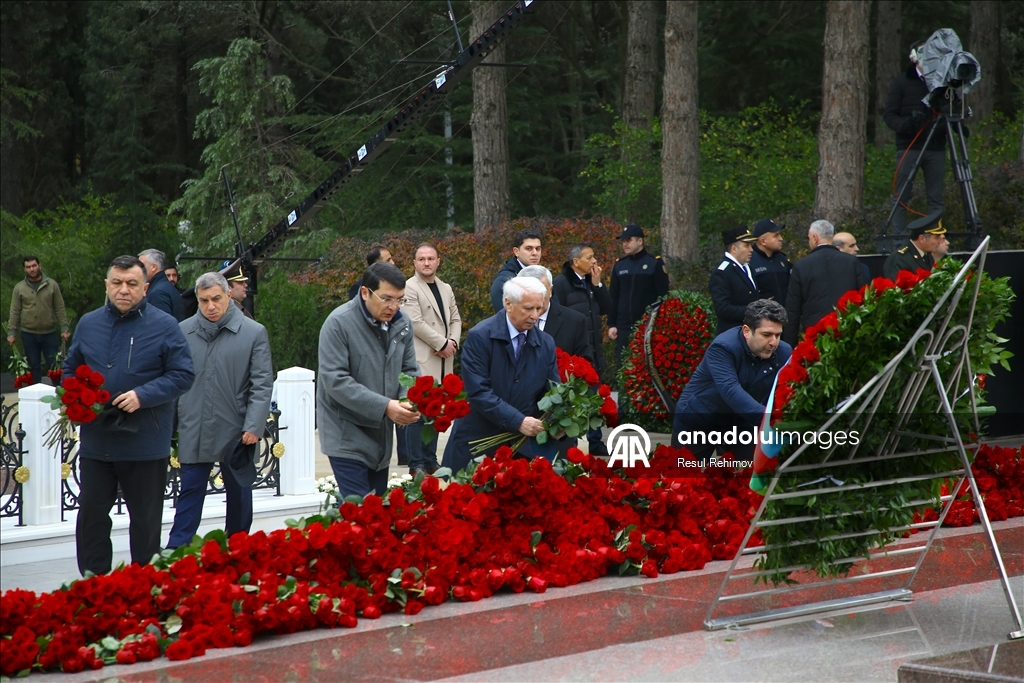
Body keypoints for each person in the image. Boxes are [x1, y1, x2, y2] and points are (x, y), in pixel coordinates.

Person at [64, 255, 194, 576]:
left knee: (146, 523)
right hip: (98, 438)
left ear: (145, 287)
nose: (124, 290)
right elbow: (71, 369)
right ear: (107, 285)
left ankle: (145, 588)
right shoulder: (89, 323)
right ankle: (94, 584)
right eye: (117, 283)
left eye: (132, 283)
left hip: (145, 440)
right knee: (92, 516)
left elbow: (183, 374)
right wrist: (78, 397)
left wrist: (142, 396)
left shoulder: (164, 325)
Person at [166, 272, 273, 548]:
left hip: (236, 429)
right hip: (194, 426)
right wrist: (170, 426)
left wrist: (254, 425)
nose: (210, 306)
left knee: (239, 494)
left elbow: (261, 383)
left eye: (216, 299)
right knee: (190, 492)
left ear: (228, 296)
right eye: (204, 301)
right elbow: (174, 381)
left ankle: (237, 549)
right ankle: (176, 553)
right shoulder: (183, 331)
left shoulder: (254, 332)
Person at [318, 262, 420, 497]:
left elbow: (410, 371)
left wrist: (409, 401)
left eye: (400, 299)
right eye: (386, 299)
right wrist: (386, 406)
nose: (394, 307)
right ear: (365, 292)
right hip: (345, 435)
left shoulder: (402, 323)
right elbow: (336, 381)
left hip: (380, 441)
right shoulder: (338, 323)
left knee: (375, 517)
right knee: (360, 516)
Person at [442, 277, 559, 474]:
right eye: (528, 308)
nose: (535, 315)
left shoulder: (545, 343)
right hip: (478, 444)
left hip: (521, 450)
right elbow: (479, 392)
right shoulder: (480, 336)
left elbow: (553, 390)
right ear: (508, 304)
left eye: (539, 308)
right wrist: (519, 421)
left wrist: (557, 421)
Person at [672, 300, 792, 461]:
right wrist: (768, 419)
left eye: (778, 335)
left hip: (742, 423)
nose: (773, 342)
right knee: (682, 480)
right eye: (766, 335)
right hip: (699, 419)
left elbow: (785, 389)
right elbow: (729, 389)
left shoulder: (784, 352)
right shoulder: (723, 347)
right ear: (747, 331)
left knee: (746, 478)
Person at [401, 243, 462, 477]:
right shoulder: (409, 287)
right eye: (422, 259)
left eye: (431, 258)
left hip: (444, 359)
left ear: (438, 261)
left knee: (436, 412)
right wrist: (441, 343)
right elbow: (415, 322)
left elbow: (455, 318)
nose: (426, 263)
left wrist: (453, 343)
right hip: (423, 358)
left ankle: (430, 459)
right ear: (414, 262)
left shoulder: (445, 288)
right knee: (417, 414)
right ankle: (416, 463)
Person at [551, 244, 613, 455]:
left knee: (594, 398)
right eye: (590, 257)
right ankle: (571, 446)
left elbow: (606, 308)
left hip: (593, 348)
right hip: (571, 353)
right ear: (576, 262)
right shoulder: (560, 284)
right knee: (572, 401)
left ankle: (596, 442)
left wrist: (598, 285)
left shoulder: (590, 282)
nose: (595, 261)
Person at [883, 40, 945, 235]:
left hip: (935, 147)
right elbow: (889, 115)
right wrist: (905, 126)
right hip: (909, 147)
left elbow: (951, 109)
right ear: (914, 56)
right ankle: (900, 242)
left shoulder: (941, 83)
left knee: (935, 197)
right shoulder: (901, 82)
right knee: (901, 196)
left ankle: (935, 239)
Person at [784, 220, 869, 346]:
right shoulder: (851, 262)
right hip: (847, 329)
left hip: (815, 333)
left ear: (814, 237)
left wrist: (789, 346)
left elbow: (793, 310)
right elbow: (864, 297)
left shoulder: (801, 266)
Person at [608, 224, 670, 365]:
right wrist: (612, 323)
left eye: (629, 240)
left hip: (647, 327)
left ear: (640, 241)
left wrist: (660, 324)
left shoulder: (654, 263)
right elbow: (613, 296)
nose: (625, 244)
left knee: (645, 367)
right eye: (623, 241)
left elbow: (663, 297)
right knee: (623, 367)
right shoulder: (620, 265)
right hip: (623, 327)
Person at [7, 255, 71, 384]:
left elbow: (59, 307)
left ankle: (58, 396)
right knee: (33, 366)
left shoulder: (52, 285)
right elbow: (15, 311)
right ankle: (35, 397)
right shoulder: (19, 288)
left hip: (49, 332)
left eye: (34, 266)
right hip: (28, 333)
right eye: (28, 267)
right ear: (24, 269)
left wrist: (64, 327)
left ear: (39, 266)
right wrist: (11, 332)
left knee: (54, 365)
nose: (32, 269)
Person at [519, 265, 593, 366]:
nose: (535, 298)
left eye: (541, 291)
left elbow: (585, 366)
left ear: (550, 290)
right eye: (529, 292)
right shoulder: (508, 321)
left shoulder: (574, 321)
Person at [708, 226, 760, 335]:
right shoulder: (722, 272)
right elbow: (722, 309)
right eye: (746, 245)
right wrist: (753, 310)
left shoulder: (747, 267)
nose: (751, 249)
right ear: (734, 249)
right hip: (733, 333)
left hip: (750, 331)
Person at [489, 229, 543, 313]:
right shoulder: (504, 280)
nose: (535, 253)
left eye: (538, 249)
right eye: (529, 248)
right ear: (516, 252)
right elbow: (505, 318)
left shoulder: (543, 276)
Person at [883, 212, 946, 280]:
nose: (940, 242)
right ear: (922, 239)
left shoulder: (927, 255)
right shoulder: (899, 259)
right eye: (936, 238)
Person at [748, 219, 791, 306]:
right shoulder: (749, 261)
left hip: (785, 315)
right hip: (762, 316)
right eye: (776, 236)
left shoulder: (782, 259)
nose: (781, 239)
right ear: (763, 241)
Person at [138, 249, 185, 321]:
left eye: (141, 266)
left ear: (153, 267)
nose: (138, 270)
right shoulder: (165, 287)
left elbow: (160, 326)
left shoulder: (158, 293)